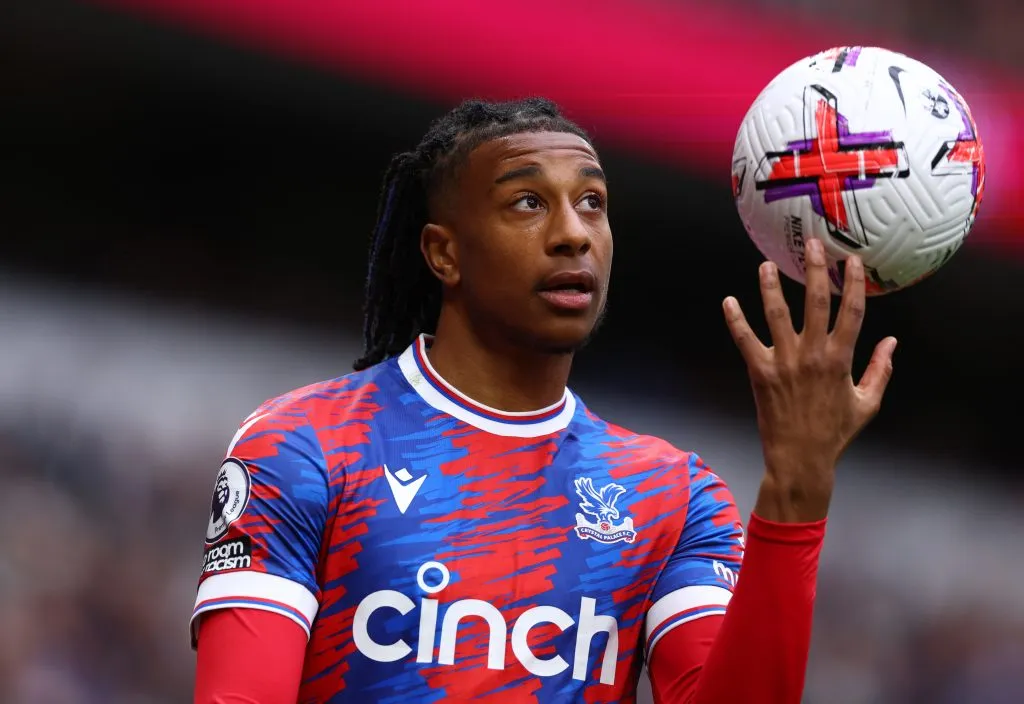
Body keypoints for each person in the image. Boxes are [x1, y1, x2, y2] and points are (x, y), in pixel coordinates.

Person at [191, 97, 896, 703]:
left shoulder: (671, 496)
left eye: (592, 202)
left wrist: (797, 493)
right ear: (445, 254)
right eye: (528, 202)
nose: (573, 233)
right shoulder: (304, 445)